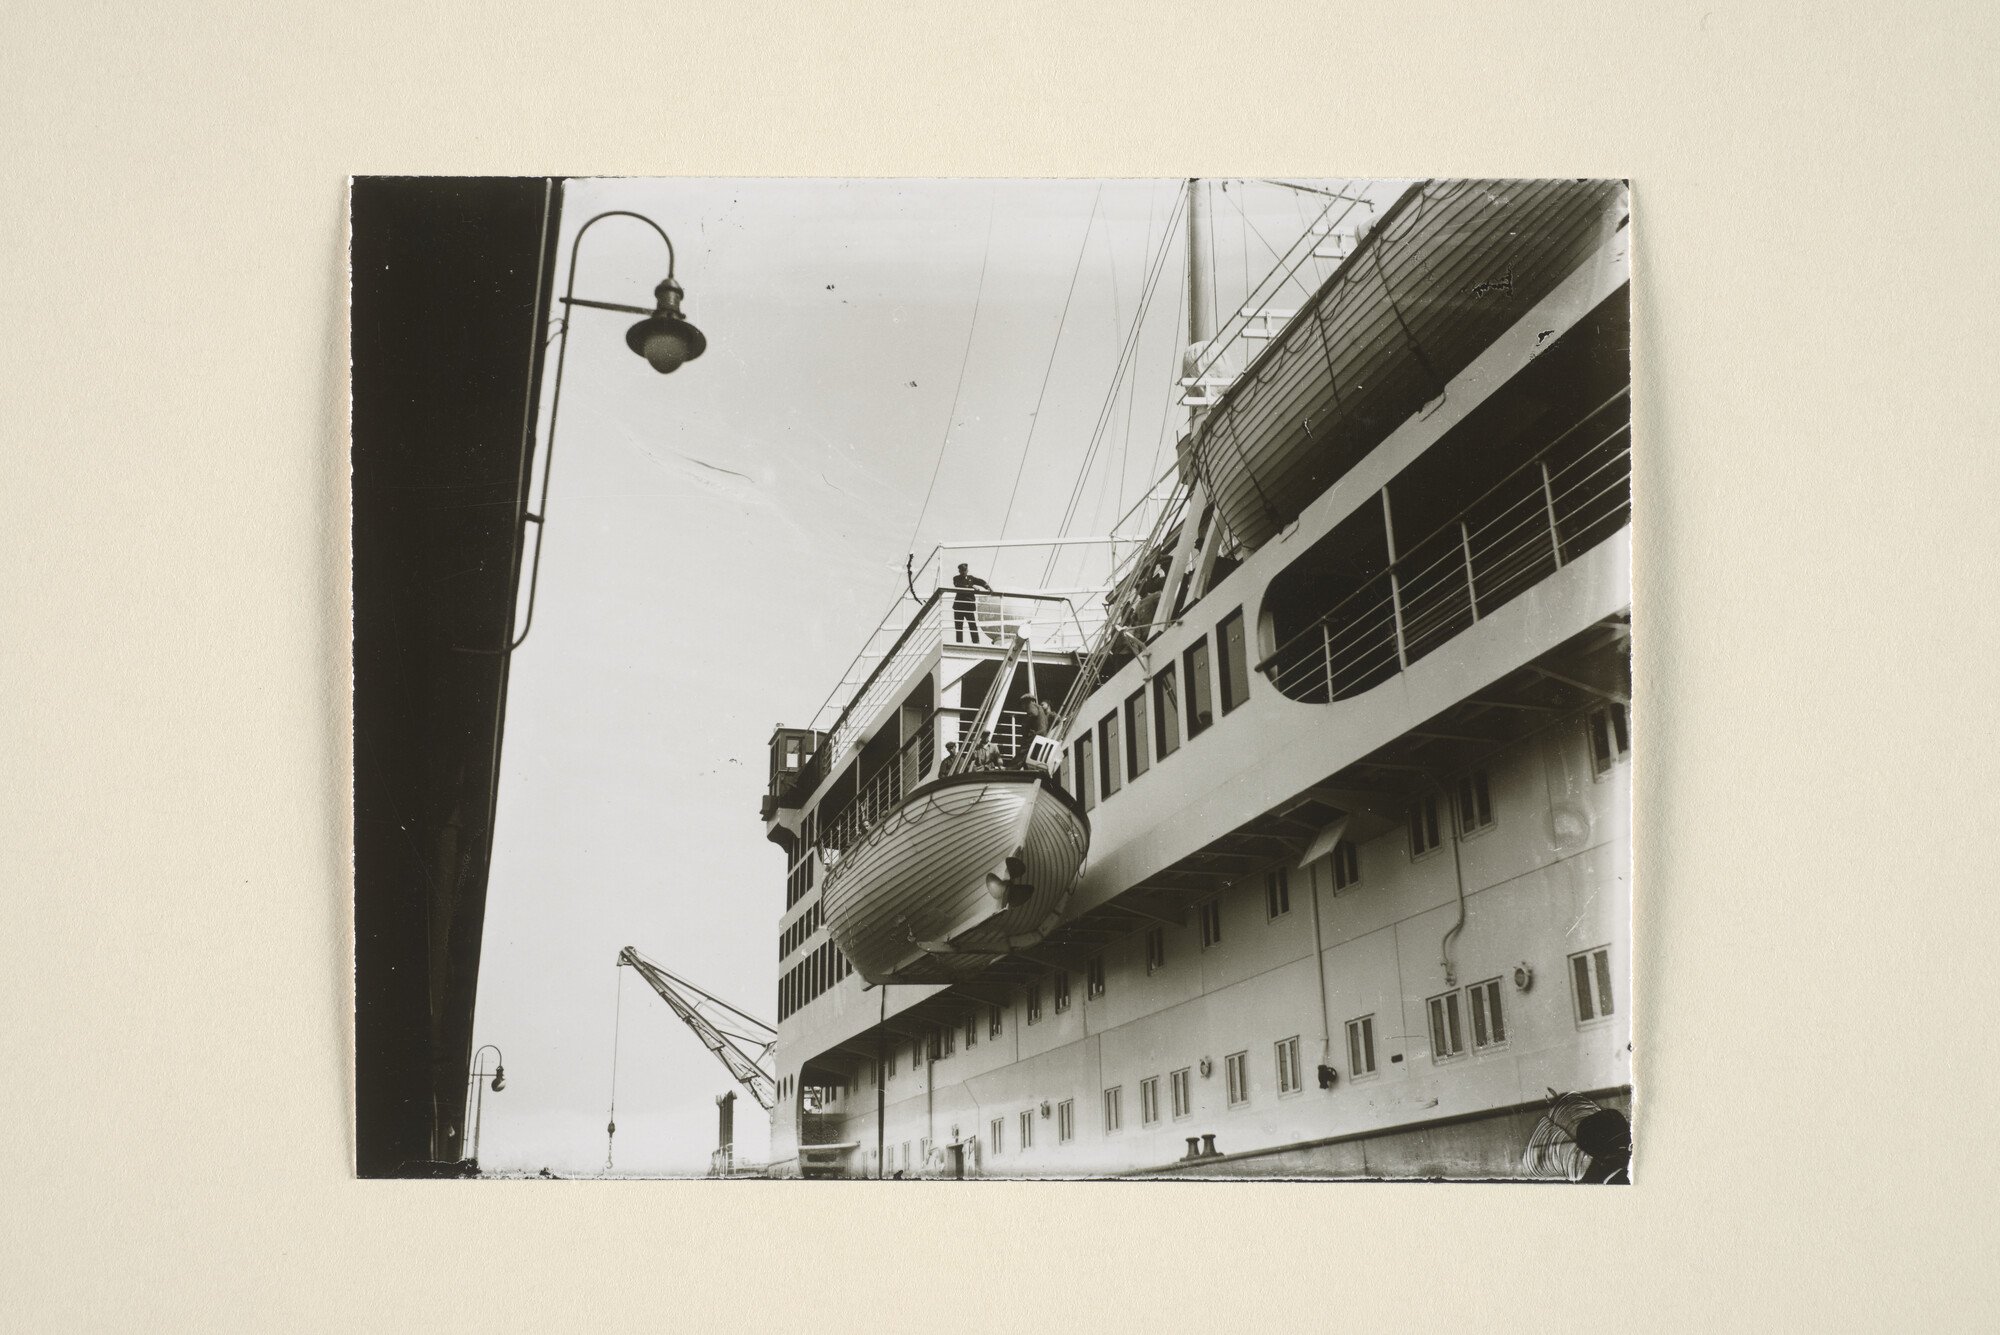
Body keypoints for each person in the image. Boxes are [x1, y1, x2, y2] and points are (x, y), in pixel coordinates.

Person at [951, 562, 997, 644]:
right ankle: (959, 643)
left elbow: (981, 581)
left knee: (972, 625)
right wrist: (972, 587)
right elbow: (959, 585)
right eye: (961, 570)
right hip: (959, 606)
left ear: (967, 570)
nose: (963, 572)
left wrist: (988, 587)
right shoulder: (956, 578)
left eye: (964, 570)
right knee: (959, 626)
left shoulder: (971, 578)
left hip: (969, 606)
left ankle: (976, 641)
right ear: (959, 571)